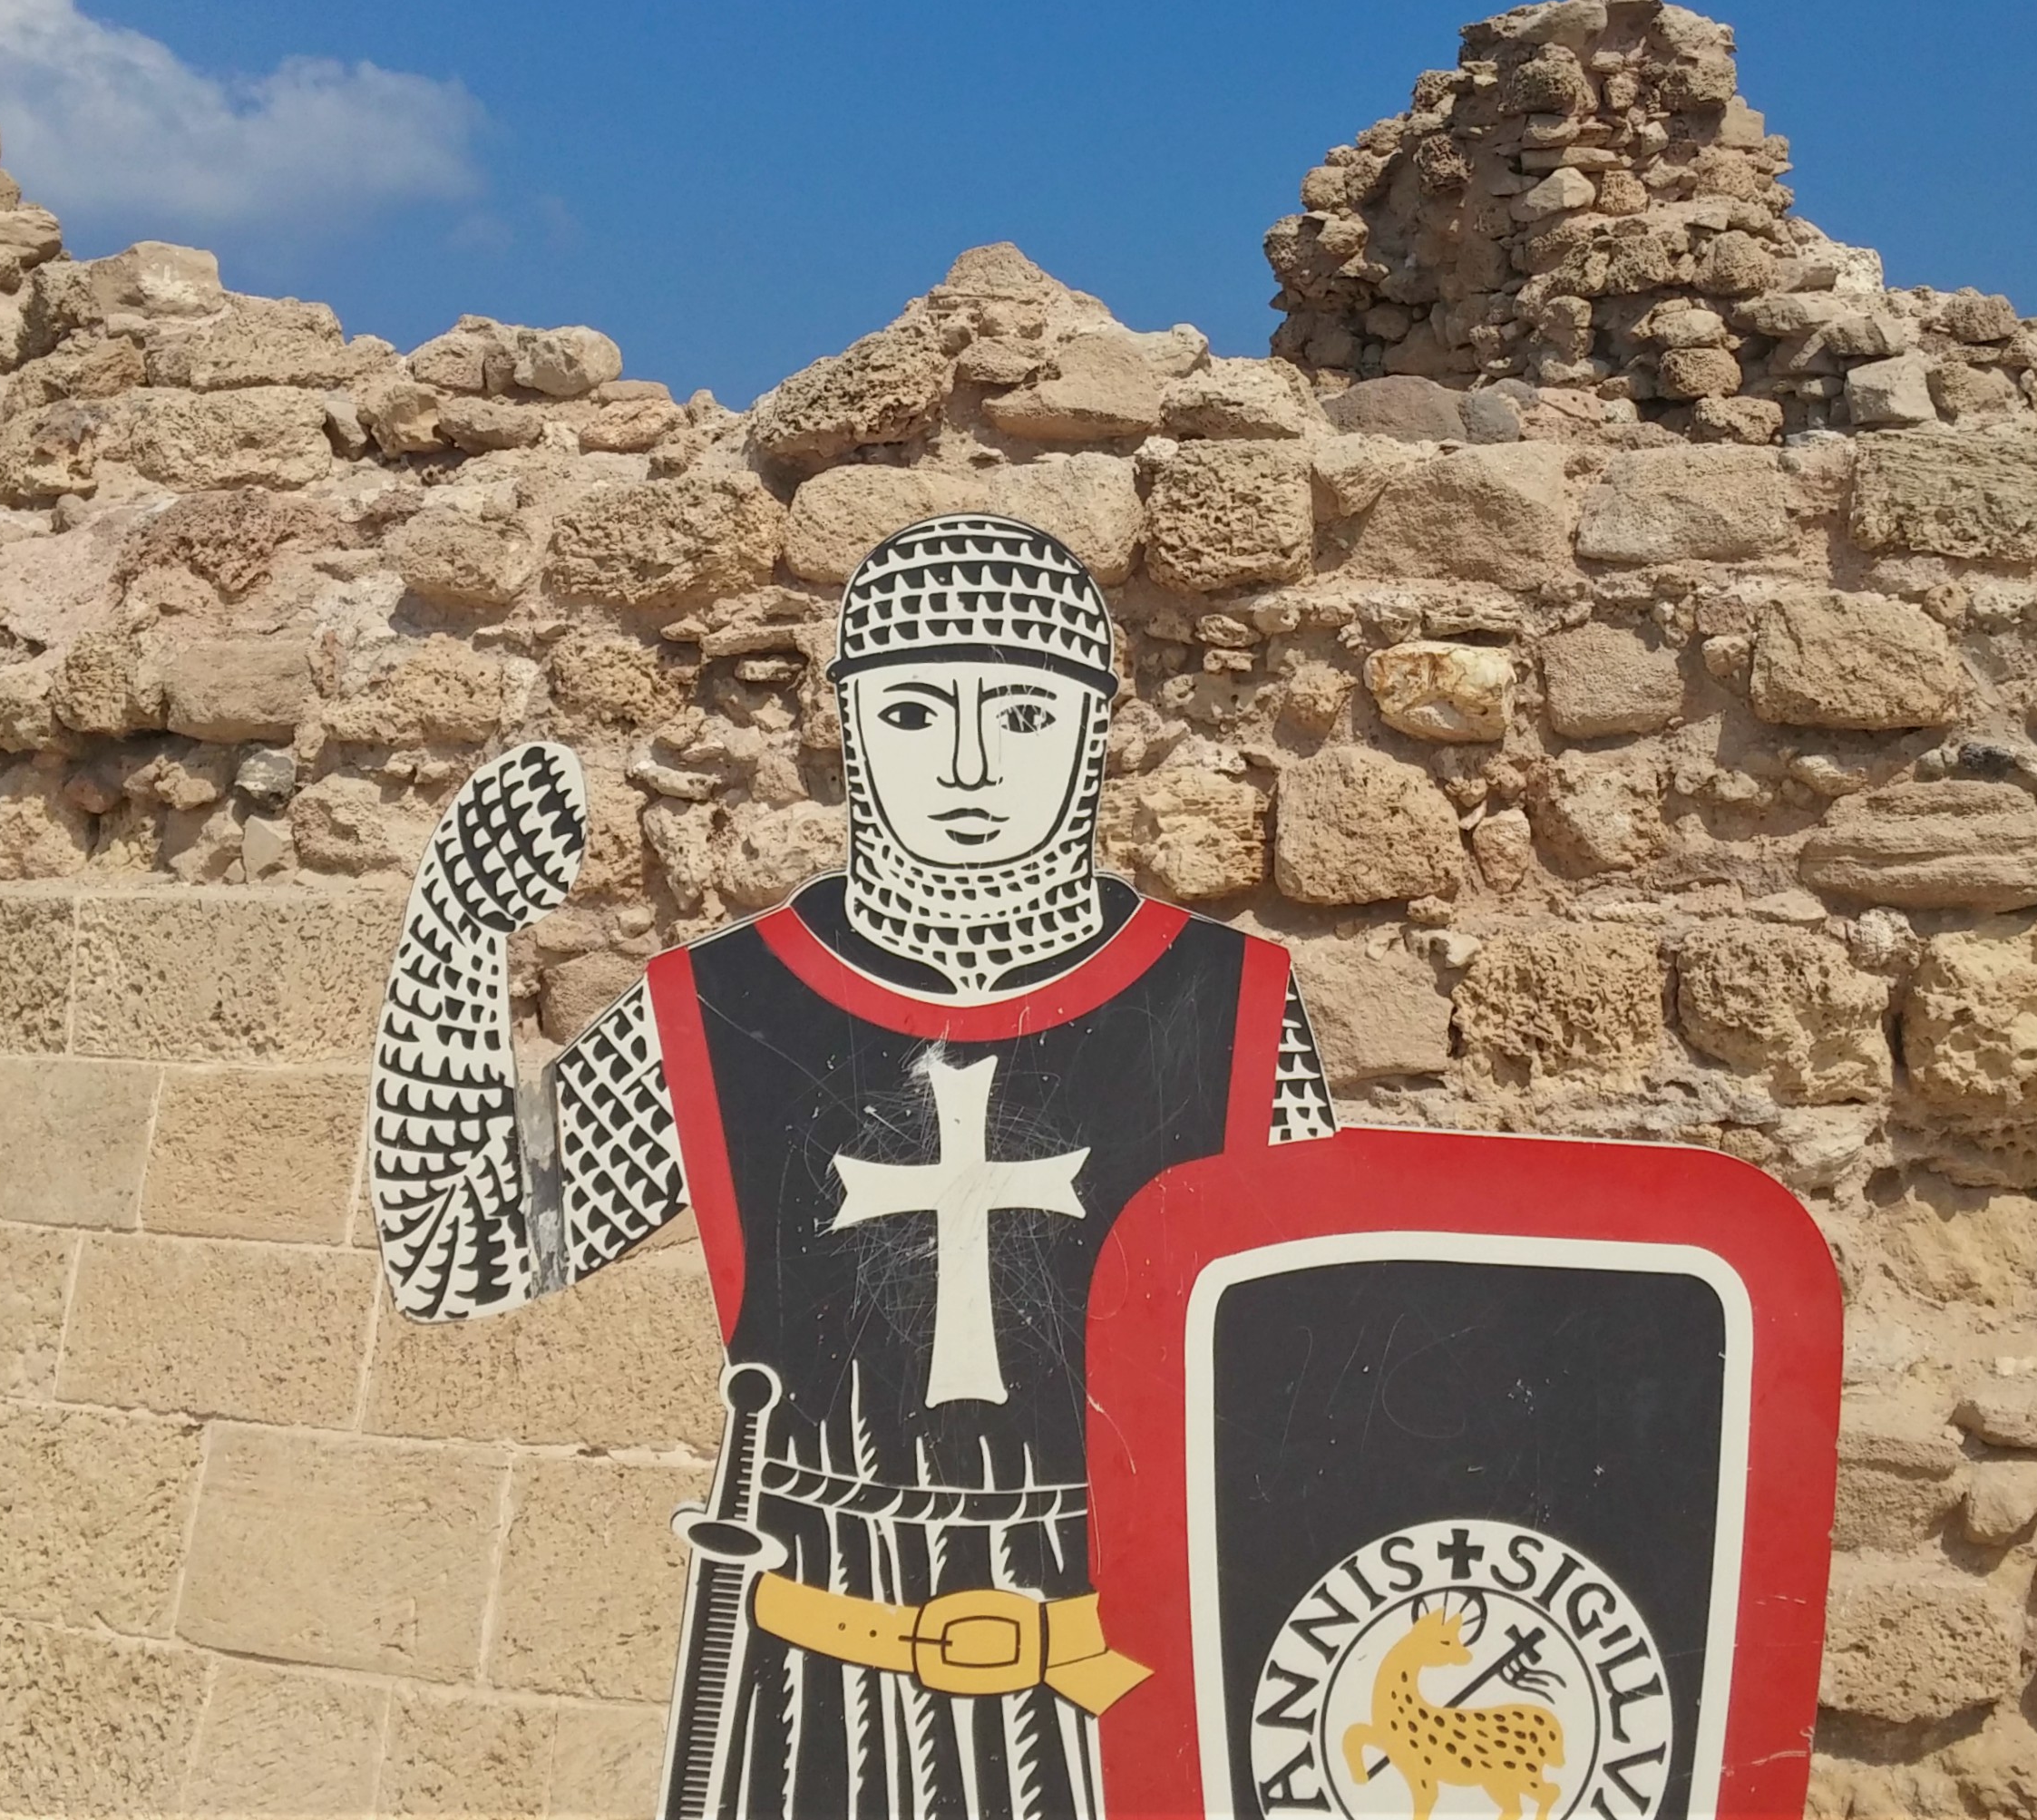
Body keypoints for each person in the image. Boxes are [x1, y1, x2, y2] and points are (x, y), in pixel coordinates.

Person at [368, 512, 1335, 1819]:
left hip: (1131, 1684)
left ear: (1094, 728)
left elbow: (1313, 1372)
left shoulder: (1227, 1007)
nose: (972, 767)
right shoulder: (723, 1008)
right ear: (852, 726)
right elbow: (455, 1249)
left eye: (1025, 715)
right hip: (811, 1692)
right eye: (919, 713)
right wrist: (456, 931)